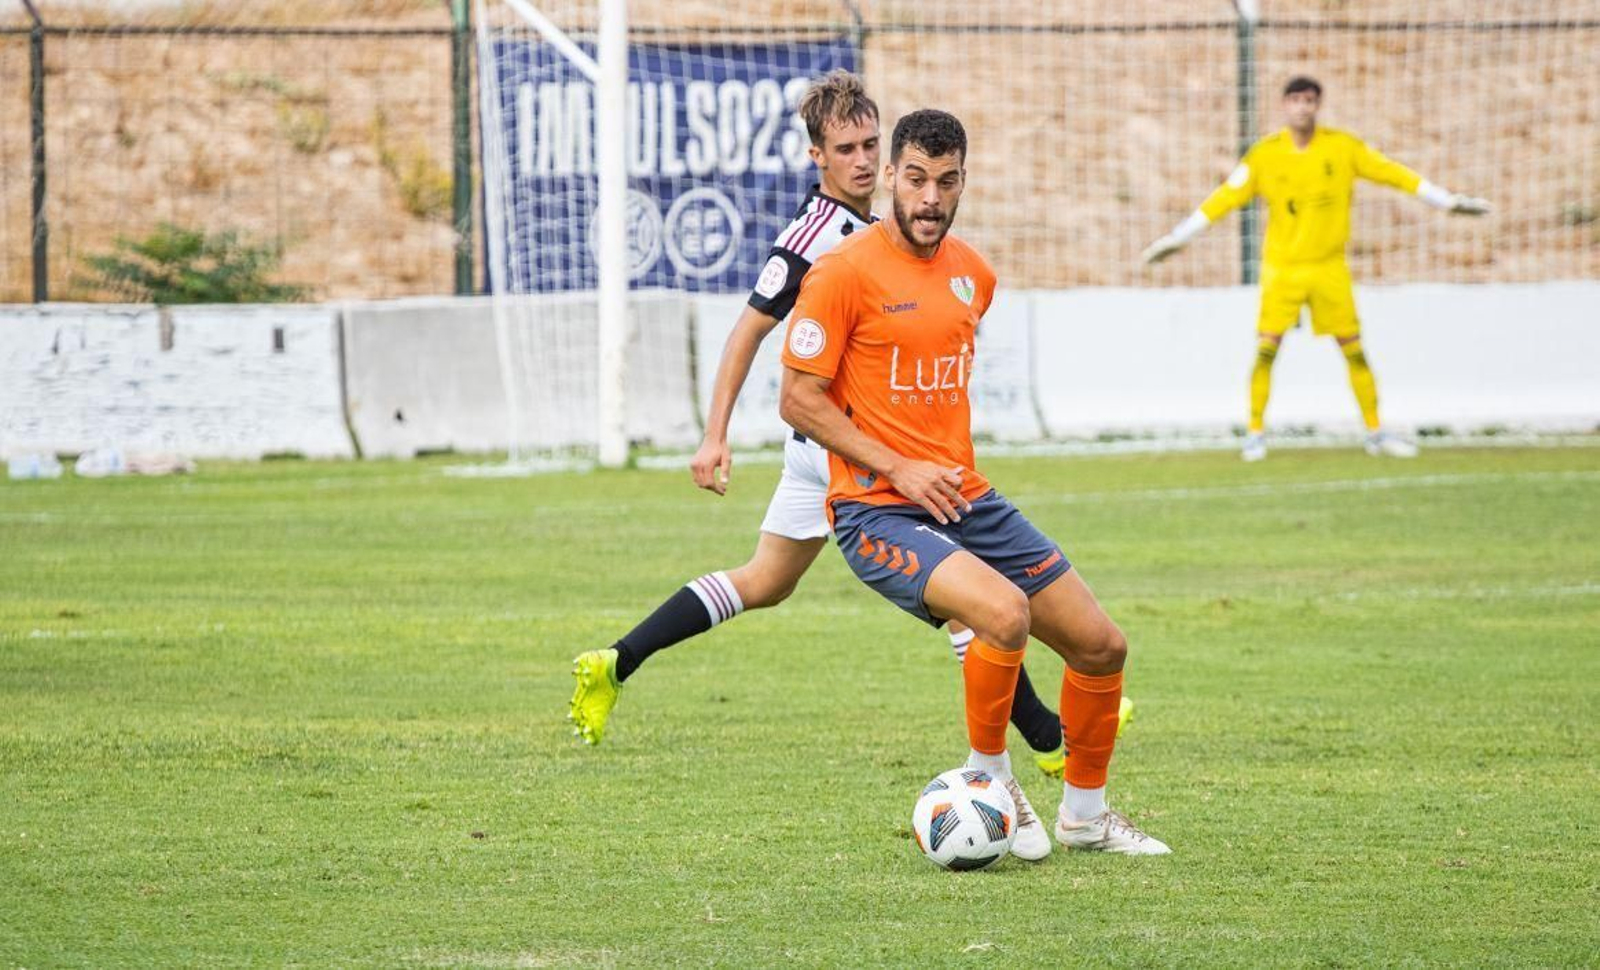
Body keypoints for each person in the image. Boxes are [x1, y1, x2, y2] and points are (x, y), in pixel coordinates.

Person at [566, 71, 1114, 776]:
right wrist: (715, 433)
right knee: (962, 590)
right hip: (840, 449)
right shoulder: (816, 238)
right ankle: (1042, 737)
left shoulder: (898, 226)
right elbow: (747, 332)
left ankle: (617, 660)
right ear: (815, 158)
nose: (860, 160)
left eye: (868, 145)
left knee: (765, 580)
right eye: (844, 148)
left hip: (836, 446)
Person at [780, 108, 1170, 858]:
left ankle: (1086, 818)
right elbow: (798, 398)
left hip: (964, 498)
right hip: (875, 512)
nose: (931, 198)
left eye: (947, 181)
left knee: (1100, 646)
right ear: (891, 176)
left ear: (963, 182)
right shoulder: (840, 274)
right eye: (917, 179)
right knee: (1003, 613)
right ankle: (991, 785)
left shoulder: (973, 274)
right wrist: (897, 465)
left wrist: (934, 462)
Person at [1141, 75, 1490, 462]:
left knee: (1354, 351)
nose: (1302, 107)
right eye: (1295, 100)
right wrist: (1179, 237)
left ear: (1318, 105)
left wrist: (1445, 201)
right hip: (1282, 271)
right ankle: (1255, 434)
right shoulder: (1265, 155)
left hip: (1329, 269)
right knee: (1265, 351)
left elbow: (1393, 173)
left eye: (1309, 100)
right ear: (1284, 105)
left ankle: (1376, 432)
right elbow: (1224, 198)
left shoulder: (1342, 148)